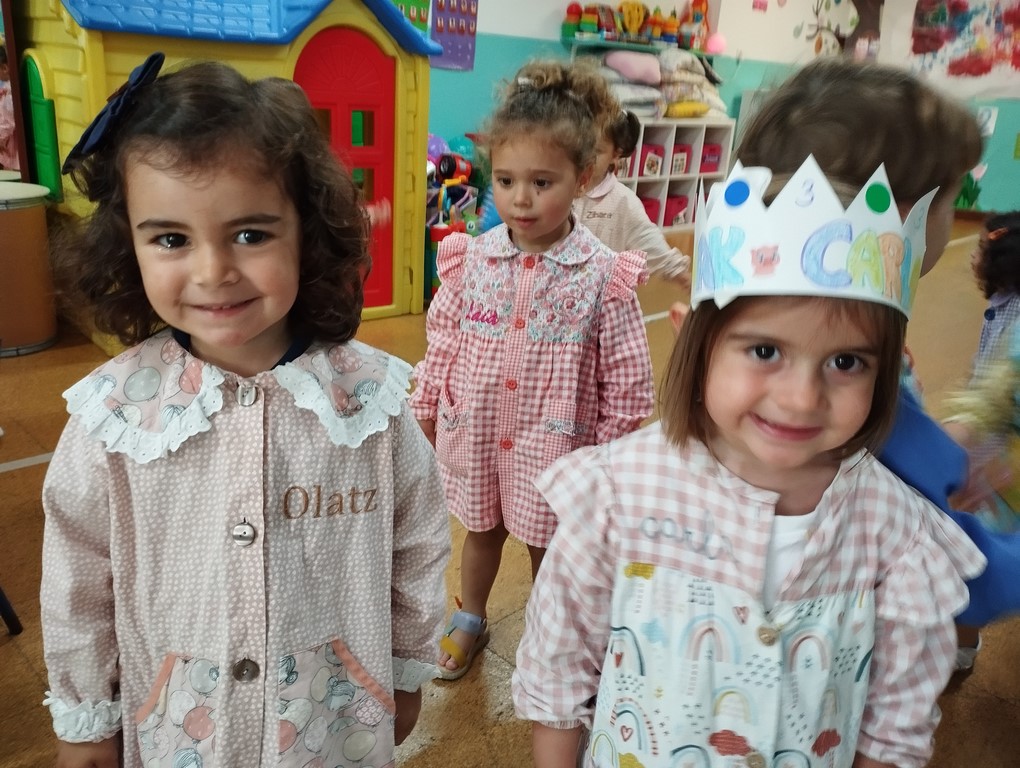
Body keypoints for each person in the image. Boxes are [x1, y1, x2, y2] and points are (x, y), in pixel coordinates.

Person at [40, 54, 450, 768]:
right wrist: (86, 715)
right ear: (127, 242)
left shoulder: (368, 402)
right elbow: (77, 580)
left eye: (251, 234)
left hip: (335, 728)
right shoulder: (112, 418)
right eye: (171, 239)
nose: (212, 272)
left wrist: (407, 665)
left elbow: (417, 539)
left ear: (306, 232)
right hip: (179, 732)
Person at [513, 154, 987, 768]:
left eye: (846, 362)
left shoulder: (896, 531)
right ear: (694, 340)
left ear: (890, 368)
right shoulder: (617, 493)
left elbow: (895, 720)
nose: (801, 398)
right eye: (765, 350)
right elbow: (559, 670)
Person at [733, 58, 1020, 676]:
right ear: (909, 211)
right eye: (950, 199)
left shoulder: (736, 342)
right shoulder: (859, 395)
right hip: (836, 659)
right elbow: (973, 574)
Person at [409, 59, 655, 680]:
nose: (521, 199)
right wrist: (427, 405)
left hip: (556, 448)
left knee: (548, 544)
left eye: (542, 182)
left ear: (583, 176)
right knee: (480, 531)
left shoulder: (603, 275)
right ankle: (471, 617)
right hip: (481, 433)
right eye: (507, 180)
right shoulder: (472, 260)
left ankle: (551, 632)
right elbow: (443, 339)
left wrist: (607, 459)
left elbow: (628, 381)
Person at [574, 108, 691, 288]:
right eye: (579, 147)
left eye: (596, 151)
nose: (585, 157)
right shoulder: (559, 189)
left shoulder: (623, 201)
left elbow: (648, 238)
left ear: (615, 155)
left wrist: (680, 274)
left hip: (602, 295)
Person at [0, 43, 19, 171]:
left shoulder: (11, 95)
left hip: (11, 148)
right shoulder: (7, 89)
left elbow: (8, 123)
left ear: (5, 68)